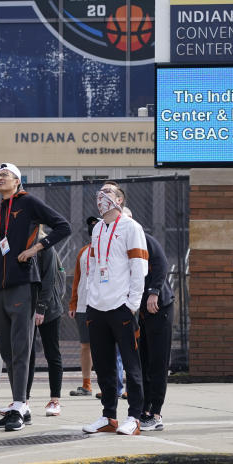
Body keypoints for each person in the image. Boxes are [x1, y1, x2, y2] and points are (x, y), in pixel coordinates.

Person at [0, 162, 71, 432]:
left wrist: (36, 249)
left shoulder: (28, 203)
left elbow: (63, 226)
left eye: (5, 175)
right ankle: (22, 406)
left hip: (23, 286)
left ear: (18, 181)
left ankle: (19, 403)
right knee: (7, 352)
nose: (0, 179)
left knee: (21, 349)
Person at [80, 183, 148, 437]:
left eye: (108, 191)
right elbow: (94, 267)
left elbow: (139, 266)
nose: (102, 195)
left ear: (119, 198)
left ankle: (135, 417)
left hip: (121, 306)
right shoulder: (97, 228)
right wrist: (90, 300)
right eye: (100, 191)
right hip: (97, 306)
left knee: (131, 364)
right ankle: (109, 415)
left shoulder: (132, 227)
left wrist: (132, 304)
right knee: (104, 365)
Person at [130, 205, 175, 432]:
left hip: (158, 307)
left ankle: (155, 412)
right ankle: (143, 408)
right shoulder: (117, 244)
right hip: (139, 311)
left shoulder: (144, 239)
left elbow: (161, 264)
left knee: (157, 362)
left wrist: (154, 292)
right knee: (143, 361)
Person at [25, 234, 66, 417]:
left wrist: (41, 307)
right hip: (26, 306)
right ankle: (22, 399)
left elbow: (49, 279)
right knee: (27, 353)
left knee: (52, 352)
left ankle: (55, 400)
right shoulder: (18, 241)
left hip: (49, 306)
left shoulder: (45, 245)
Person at [68, 217, 99, 398]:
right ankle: (86, 384)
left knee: (106, 346)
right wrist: (73, 303)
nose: (93, 229)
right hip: (83, 306)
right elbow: (77, 280)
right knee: (85, 345)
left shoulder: (109, 250)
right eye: (91, 227)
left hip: (103, 305)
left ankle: (109, 384)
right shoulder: (83, 252)